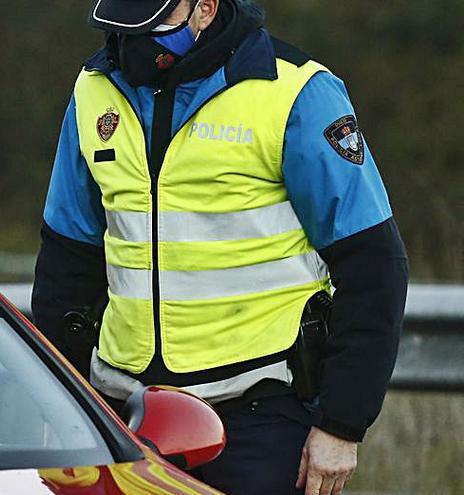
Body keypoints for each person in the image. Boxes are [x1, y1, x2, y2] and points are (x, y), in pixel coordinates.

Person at [32, 1, 409, 494]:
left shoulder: (296, 92)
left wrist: (342, 423)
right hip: (124, 412)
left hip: (259, 417)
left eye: (151, 25)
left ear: (205, 8)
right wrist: (55, 405)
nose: (131, 43)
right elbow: (66, 263)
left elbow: (375, 266)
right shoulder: (93, 89)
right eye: (122, 26)